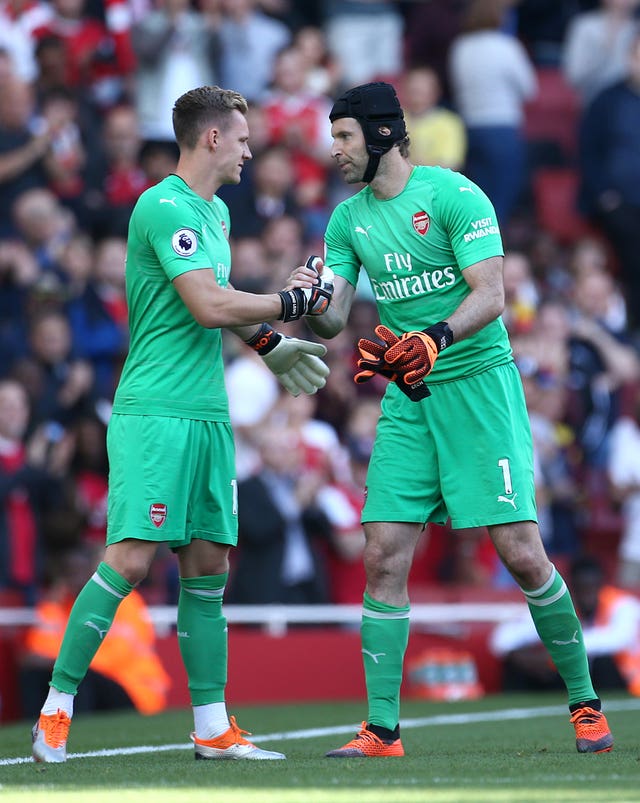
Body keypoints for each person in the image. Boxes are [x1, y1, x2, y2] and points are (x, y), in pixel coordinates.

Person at [291, 80, 614, 757]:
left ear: (382, 134)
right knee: (382, 554)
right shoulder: (347, 219)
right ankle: (383, 729)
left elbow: (490, 295)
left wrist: (435, 336)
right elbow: (330, 319)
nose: (336, 149)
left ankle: (586, 705)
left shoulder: (455, 196)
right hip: (410, 399)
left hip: (478, 388)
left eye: (346, 136)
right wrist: (307, 296)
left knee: (522, 554)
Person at [30, 84, 334, 764]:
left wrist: (268, 343)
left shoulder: (218, 215)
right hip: (155, 411)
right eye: (244, 138)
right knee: (132, 558)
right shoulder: (163, 206)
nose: (252, 151)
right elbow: (204, 302)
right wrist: (289, 302)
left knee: (207, 567)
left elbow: (222, 308)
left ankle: (211, 725)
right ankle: (56, 706)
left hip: (207, 412)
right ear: (212, 138)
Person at [490, 554, 640, 696]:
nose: (587, 596)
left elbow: (618, 640)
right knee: (517, 661)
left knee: (603, 662)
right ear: (572, 588)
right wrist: (522, 657)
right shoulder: (562, 605)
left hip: (626, 681)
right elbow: (501, 640)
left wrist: (555, 655)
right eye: (582, 589)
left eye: (592, 588)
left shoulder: (623, 605)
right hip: (569, 674)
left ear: (602, 586)